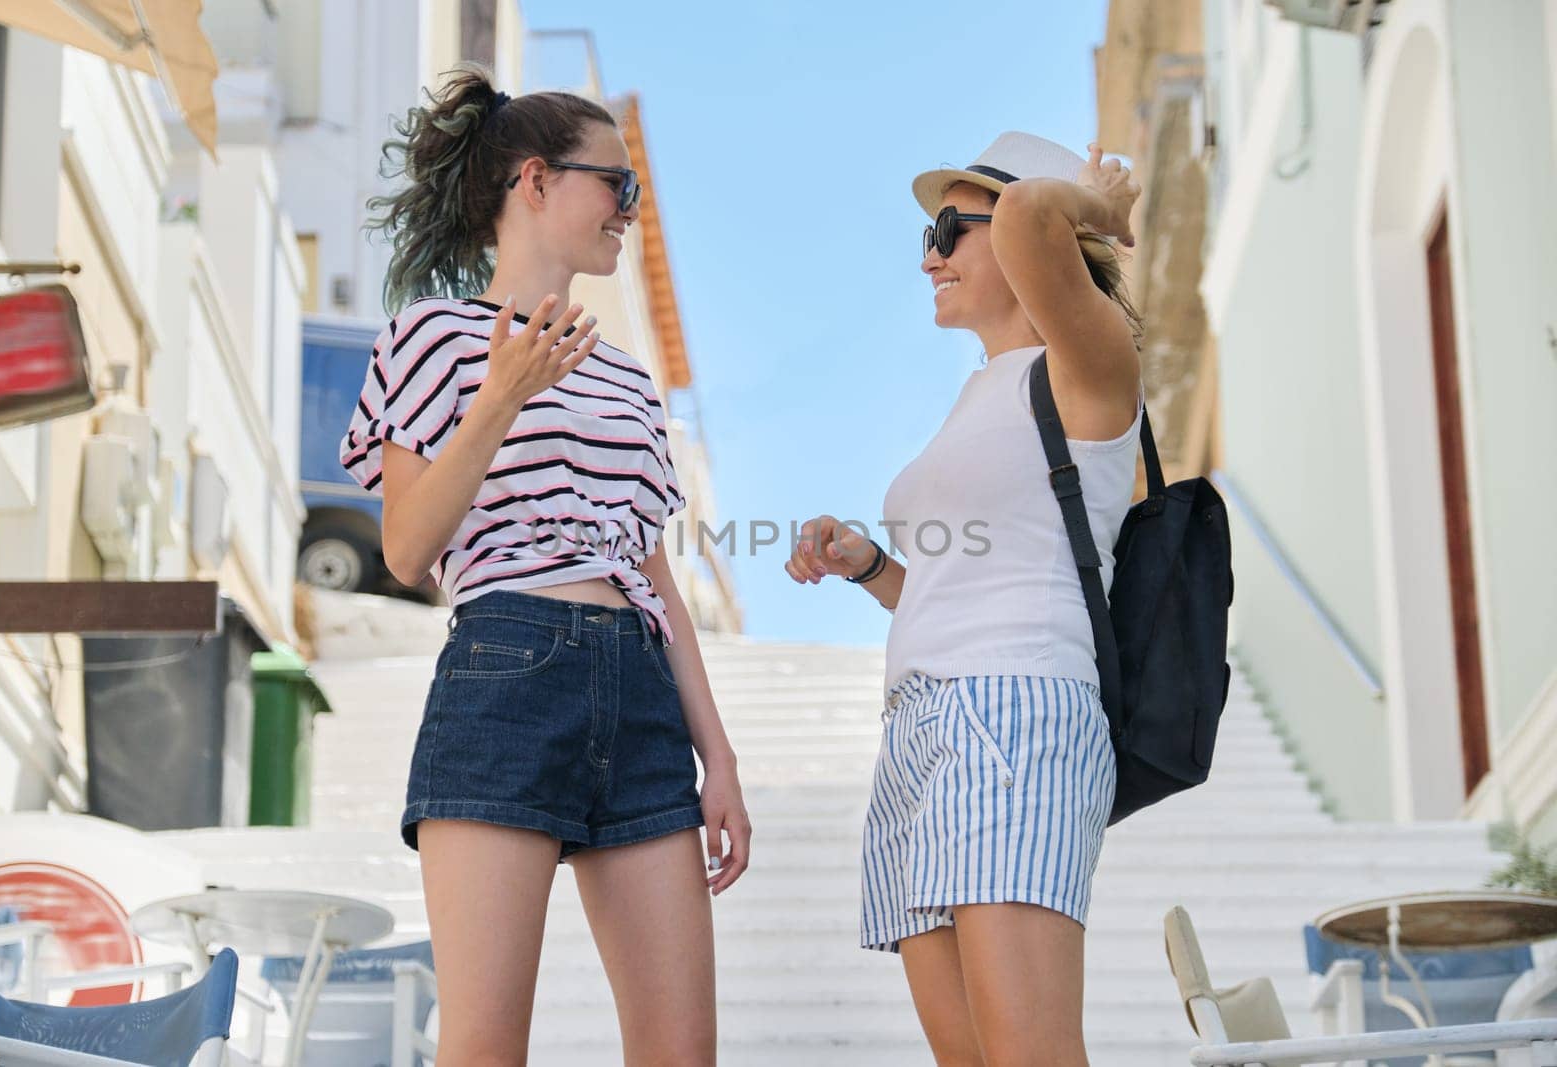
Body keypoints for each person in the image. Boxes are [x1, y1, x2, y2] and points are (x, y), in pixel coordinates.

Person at [342, 64, 750, 1066]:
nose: (630, 211)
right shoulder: (428, 337)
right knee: (485, 1047)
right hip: (506, 668)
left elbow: (654, 577)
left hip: (639, 687)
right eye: (617, 186)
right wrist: (500, 396)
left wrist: (720, 756)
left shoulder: (624, 379)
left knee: (680, 1050)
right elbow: (405, 550)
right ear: (533, 180)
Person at [784, 131, 1145, 1065]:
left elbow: (1028, 213)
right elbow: (959, 592)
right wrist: (873, 567)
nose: (928, 255)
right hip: (921, 725)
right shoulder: (979, 393)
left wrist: (1099, 209)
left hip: (1017, 712)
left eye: (951, 227)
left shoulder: (1087, 367)